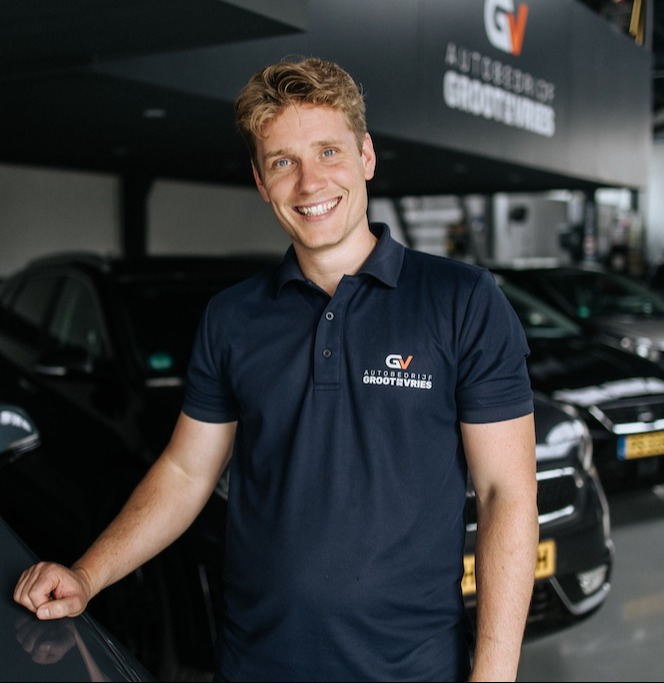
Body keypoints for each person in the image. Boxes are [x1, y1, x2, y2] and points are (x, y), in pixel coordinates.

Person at [13, 56, 538, 682]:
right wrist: (86, 574)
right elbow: (186, 472)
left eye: (328, 152)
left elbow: (507, 494)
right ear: (261, 182)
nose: (309, 183)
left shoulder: (462, 300)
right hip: (253, 665)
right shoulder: (232, 317)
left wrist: (495, 673)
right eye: (283, 162)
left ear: (366, 156)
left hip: (412, 670)